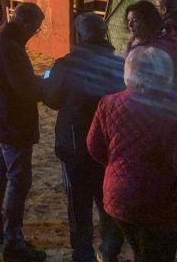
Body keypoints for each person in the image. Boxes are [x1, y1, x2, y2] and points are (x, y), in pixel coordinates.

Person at [87, 47, 177, 262]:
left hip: (119, 196)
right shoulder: (175, 115)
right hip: (160, 202)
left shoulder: (108, 103)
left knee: (140, 249)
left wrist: (118, 167)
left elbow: (94, 145)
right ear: (165, 75)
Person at [41, 14, 125, 262]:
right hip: (110, 142)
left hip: (74, 141)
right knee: (106, 195)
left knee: (78, 200)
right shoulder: (119, 64)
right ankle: (109, 247)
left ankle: (82, 251)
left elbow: (53, 99)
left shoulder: (66, 65)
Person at [0, 3, 46, 262]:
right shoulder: (10, 49)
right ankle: (14, 242)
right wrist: (49, 81)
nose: (35, 33)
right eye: (36, 29)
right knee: (18, 181)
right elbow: (26, 88)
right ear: (26, 24)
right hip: (11, 124)